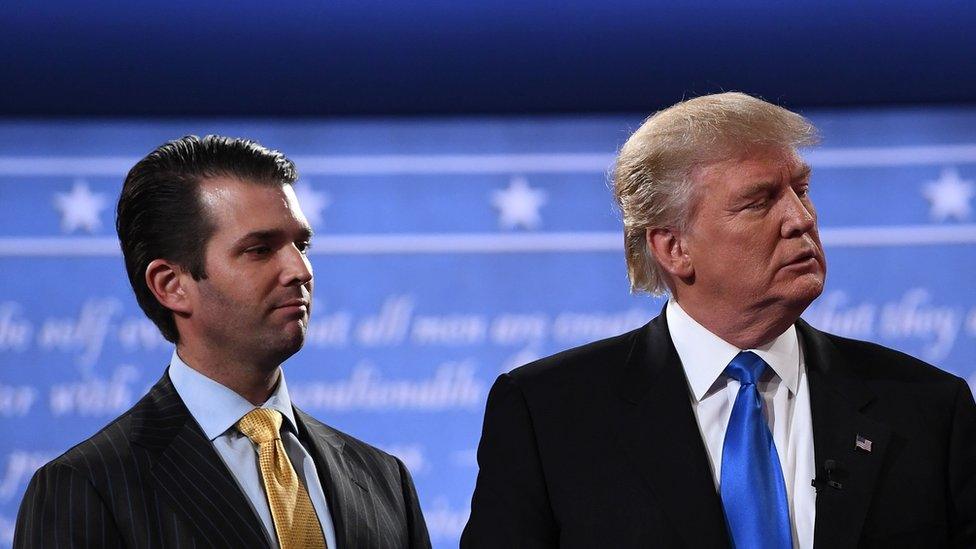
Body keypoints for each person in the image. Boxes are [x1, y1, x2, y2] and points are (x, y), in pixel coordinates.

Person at [461, 93, 976, 548]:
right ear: (674, 248)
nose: (801, 218)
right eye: (759, 202)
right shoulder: (549, 415)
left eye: (801, 188)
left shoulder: (929, 409)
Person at [14, 135, 431, 549]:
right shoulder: (88, 486)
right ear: (171, 285)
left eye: (302, 244)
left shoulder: (384, 479)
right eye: (260, 249)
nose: (300, 270)